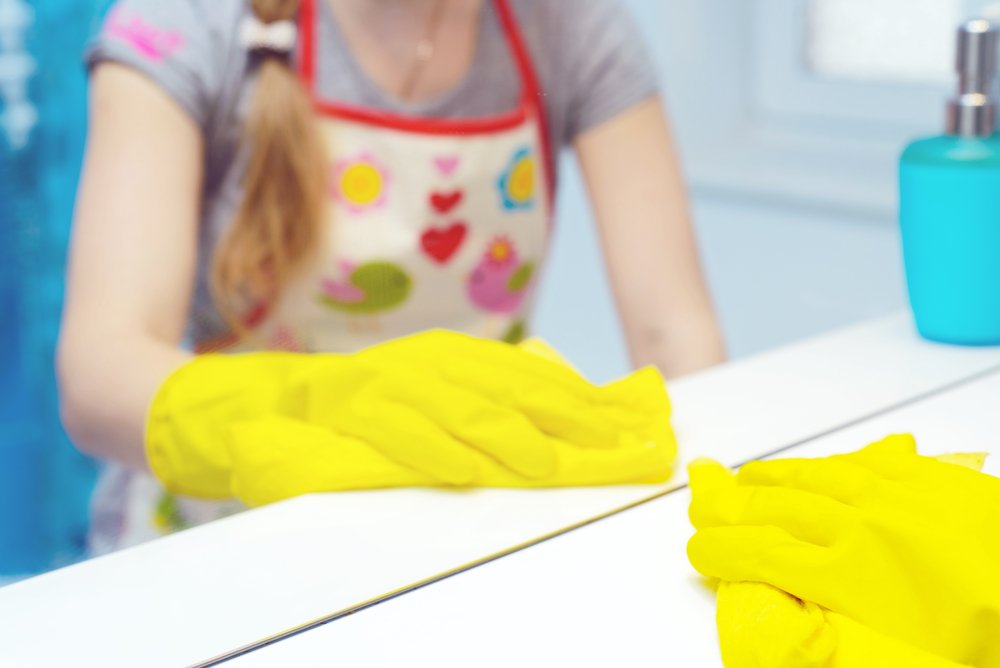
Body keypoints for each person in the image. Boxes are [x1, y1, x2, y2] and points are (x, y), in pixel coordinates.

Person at [57, 0, 725, 552]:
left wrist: (717, 507)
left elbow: (674, 337)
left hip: (458, 524)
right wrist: (330, 408)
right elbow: (100, 372)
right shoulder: (187, 27)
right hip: (219, 530)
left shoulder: (571, 28)